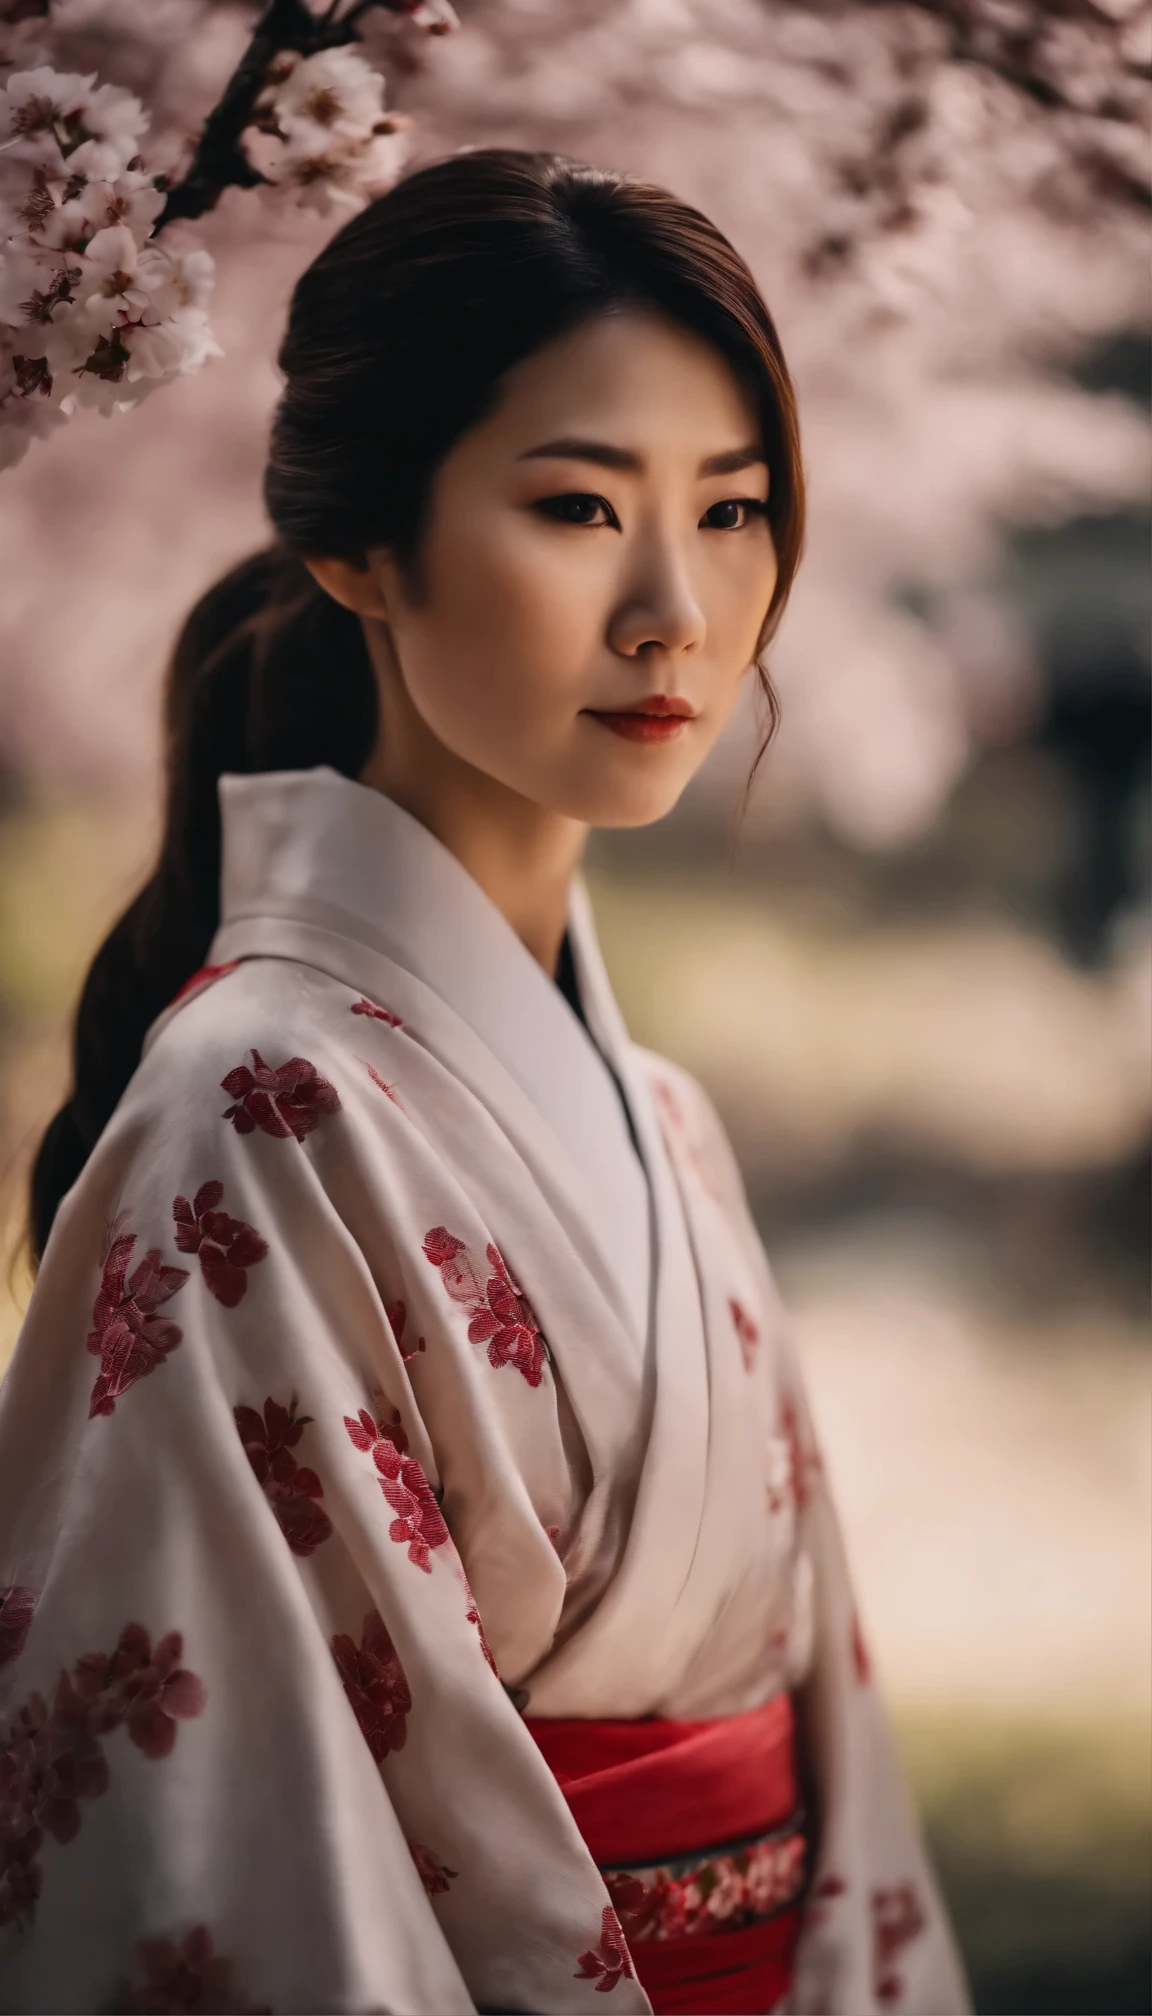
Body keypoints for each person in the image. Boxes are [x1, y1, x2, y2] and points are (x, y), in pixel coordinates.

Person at [0, 150, 970, 2016]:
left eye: (738, 511)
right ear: (361, 546)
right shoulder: (250, 1110)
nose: (677, 609)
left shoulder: (665, 1115)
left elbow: (832, 1757)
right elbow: (230, 1845)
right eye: (579, 507)